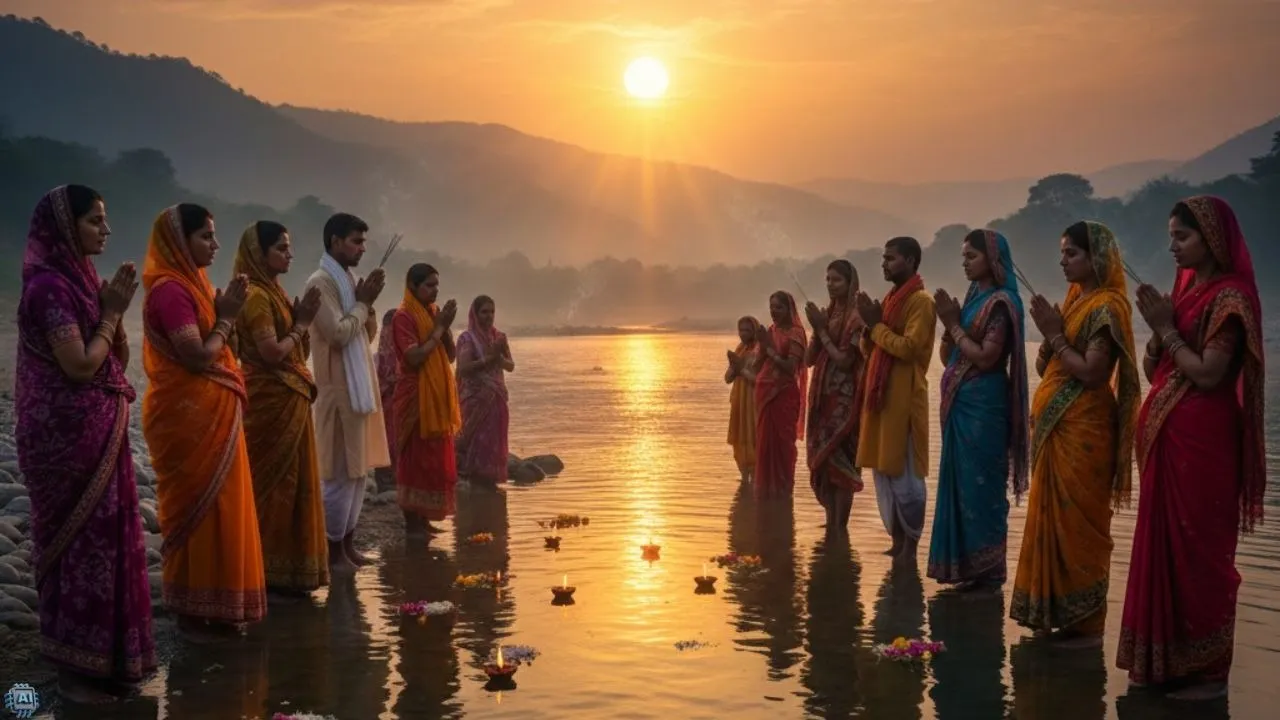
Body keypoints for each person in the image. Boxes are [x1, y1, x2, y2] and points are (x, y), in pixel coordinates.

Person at [1118, 197, 1266, 700]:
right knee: (1164, 550)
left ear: (1212, 239)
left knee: (1198, 554)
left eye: (1183, 237)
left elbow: (1207, 374)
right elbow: (1154, 372)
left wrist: (1164, 329)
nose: (1173, 246)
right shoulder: (1183, 293)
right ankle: (1162, 664)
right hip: (1168, 450)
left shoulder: (1231, 299)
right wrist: (1160, 335)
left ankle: (1203, 671)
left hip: (1203, 453)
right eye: (1171, 237)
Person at [15, 185, 155, 704]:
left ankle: (108, 663)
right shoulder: (49, 289)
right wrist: (115, 312)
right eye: (96, 221)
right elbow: (78, 364)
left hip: (98, 431)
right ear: (65, 227)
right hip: (64, 439)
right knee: (78, 549)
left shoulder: (82, 280)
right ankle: (75, 674)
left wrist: (110, 311)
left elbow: (108, 354)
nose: (107, 230)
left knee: (110, 541)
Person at [141, 203, 267, 641]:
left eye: (215, 237)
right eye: (205, 237)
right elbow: (196, 357)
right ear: (180, 241)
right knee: (200, 510)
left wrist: (223, 316)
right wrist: (228, 316)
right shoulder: (170, 291)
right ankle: (195, 611)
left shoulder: (195, 285)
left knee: (225, 507)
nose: (215, 245)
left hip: (213, 416)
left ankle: (222, 602)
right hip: (187, 418)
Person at [1011, 221, 1140, 647]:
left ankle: (1084, 625)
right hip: (1055, 433)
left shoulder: (1108, 306)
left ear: (1096, 258)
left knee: (1078, 524)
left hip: (1084, 432)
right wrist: (1052, 337)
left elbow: (1092, 373)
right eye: (1062, 253)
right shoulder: (1073, 300)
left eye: (1072, 254)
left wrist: (1053, 335)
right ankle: (1054, 615)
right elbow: (1047, 366)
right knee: (1052, 519)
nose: (1063, 261)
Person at [928, 229, 1029, 591]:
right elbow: (949, 357)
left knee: (982, 488)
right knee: (960, 485)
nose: (965, 262)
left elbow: (986, 358)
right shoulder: (973, 299)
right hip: (961, 408)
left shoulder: (1001, 303)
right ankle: (966, 569)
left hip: (984, 409)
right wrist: (948, 327)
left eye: (972, 256)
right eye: (964, 257)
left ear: (993, 259)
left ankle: (990, 571)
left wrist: (954, 324)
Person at [232, 221, 327, 597]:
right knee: (271, 485)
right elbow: (271, 353)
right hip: (269, 398)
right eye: (281, 248)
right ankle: (265, 569)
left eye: (289, 247)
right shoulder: (256, 295)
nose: (289, 254)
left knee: (295, 481)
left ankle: (291, 568)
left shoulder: (275, 292)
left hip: (289, 396)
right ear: (260, 253)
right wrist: (302, 323)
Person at [306, 212, 390, 572]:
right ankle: (332, 551)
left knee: (358, 474)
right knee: (339, 475)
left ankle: (348, 546)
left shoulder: (348, 281)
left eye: (364, 242)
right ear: (335, 242)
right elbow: (338, 334)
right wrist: (362, 302)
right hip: (336, 393)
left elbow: (365, 335)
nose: (361, 248)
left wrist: (365, 302)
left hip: (357, 392)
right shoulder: (320, 283)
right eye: (356, 241)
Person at [855, 236, 937, 563]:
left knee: (906, 477)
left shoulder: (921, 302)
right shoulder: (890, 299)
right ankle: (898, 539)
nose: (884, 264)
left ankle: (912, 546)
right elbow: (871, 351)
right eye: (884, 258)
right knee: (884, 472)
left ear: (912, 261)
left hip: (904, 400)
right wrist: (868, 331)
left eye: (891, 259)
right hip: (881, 398)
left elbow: (909, 348)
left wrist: (875, 327)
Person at [391, 264, 461, 533]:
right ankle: (412, 522)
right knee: (415, 459)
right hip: (414, 396)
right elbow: (415, 358)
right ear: (413, 286)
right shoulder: (403, 317)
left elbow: (450, 356)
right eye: (429, 285)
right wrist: (437, 329)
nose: (435, 290)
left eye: (437, 285)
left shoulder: (433, 313)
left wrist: (445, 329)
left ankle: (424, 518)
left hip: (436, 397)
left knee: (433, 459)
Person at [803, 259, 866, 536]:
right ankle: (831, 526)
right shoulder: (827, 313)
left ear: (850, 283)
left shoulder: (856, 317)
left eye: (836, 280)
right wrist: (817, 328)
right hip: (821, 404)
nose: (830, 285)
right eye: (827, 279)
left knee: (843, 469)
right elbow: (808, 360)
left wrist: (823, 331)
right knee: (826, 468)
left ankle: (841, 527)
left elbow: (843, 360)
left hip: (845, 405)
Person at [750, 291, 807, 500]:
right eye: (771, 306)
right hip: (765, 396)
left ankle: (783, 498)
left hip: (784, 396)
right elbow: (757, 365)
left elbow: (791, 367)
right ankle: (766, 501)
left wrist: (769, 348)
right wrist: (761, 348)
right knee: (765, 449)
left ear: (789, 310)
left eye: (779, 307)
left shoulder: (796, 333)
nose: (774, 311)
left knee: (783, 448)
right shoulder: (771, 331)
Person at [455, 295, 515, 488]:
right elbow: (463, 369)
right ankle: (470, 481)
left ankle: (490, 485)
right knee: (473, 443)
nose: (489, 316)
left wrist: (497, 359)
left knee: (493, 444)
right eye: (484, 312)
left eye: (492, 312)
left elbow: (511, 365)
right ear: (475, 313)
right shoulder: (467, 338)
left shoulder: (499, 337)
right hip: (474, 400)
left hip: (496, 399)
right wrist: (487, 360)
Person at [725, 316, 762, 483]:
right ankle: (743, 479)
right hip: (739, 402)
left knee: (754, 438)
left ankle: (755, 479)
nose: (743, 334)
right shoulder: (740, 348)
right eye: (741, 330)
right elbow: (727, 378)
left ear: (755, 330)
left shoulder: (760, 350)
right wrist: (734, 366)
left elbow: (760, 380)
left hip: (753, 402)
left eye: (747, 330)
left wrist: (742, 369)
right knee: (739, 439)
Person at [374, 308, 401, 493]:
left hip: (402, 406)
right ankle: (385, 479)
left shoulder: (407, 355)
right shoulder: (377, 360)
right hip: (385, 407)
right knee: (386, 440)